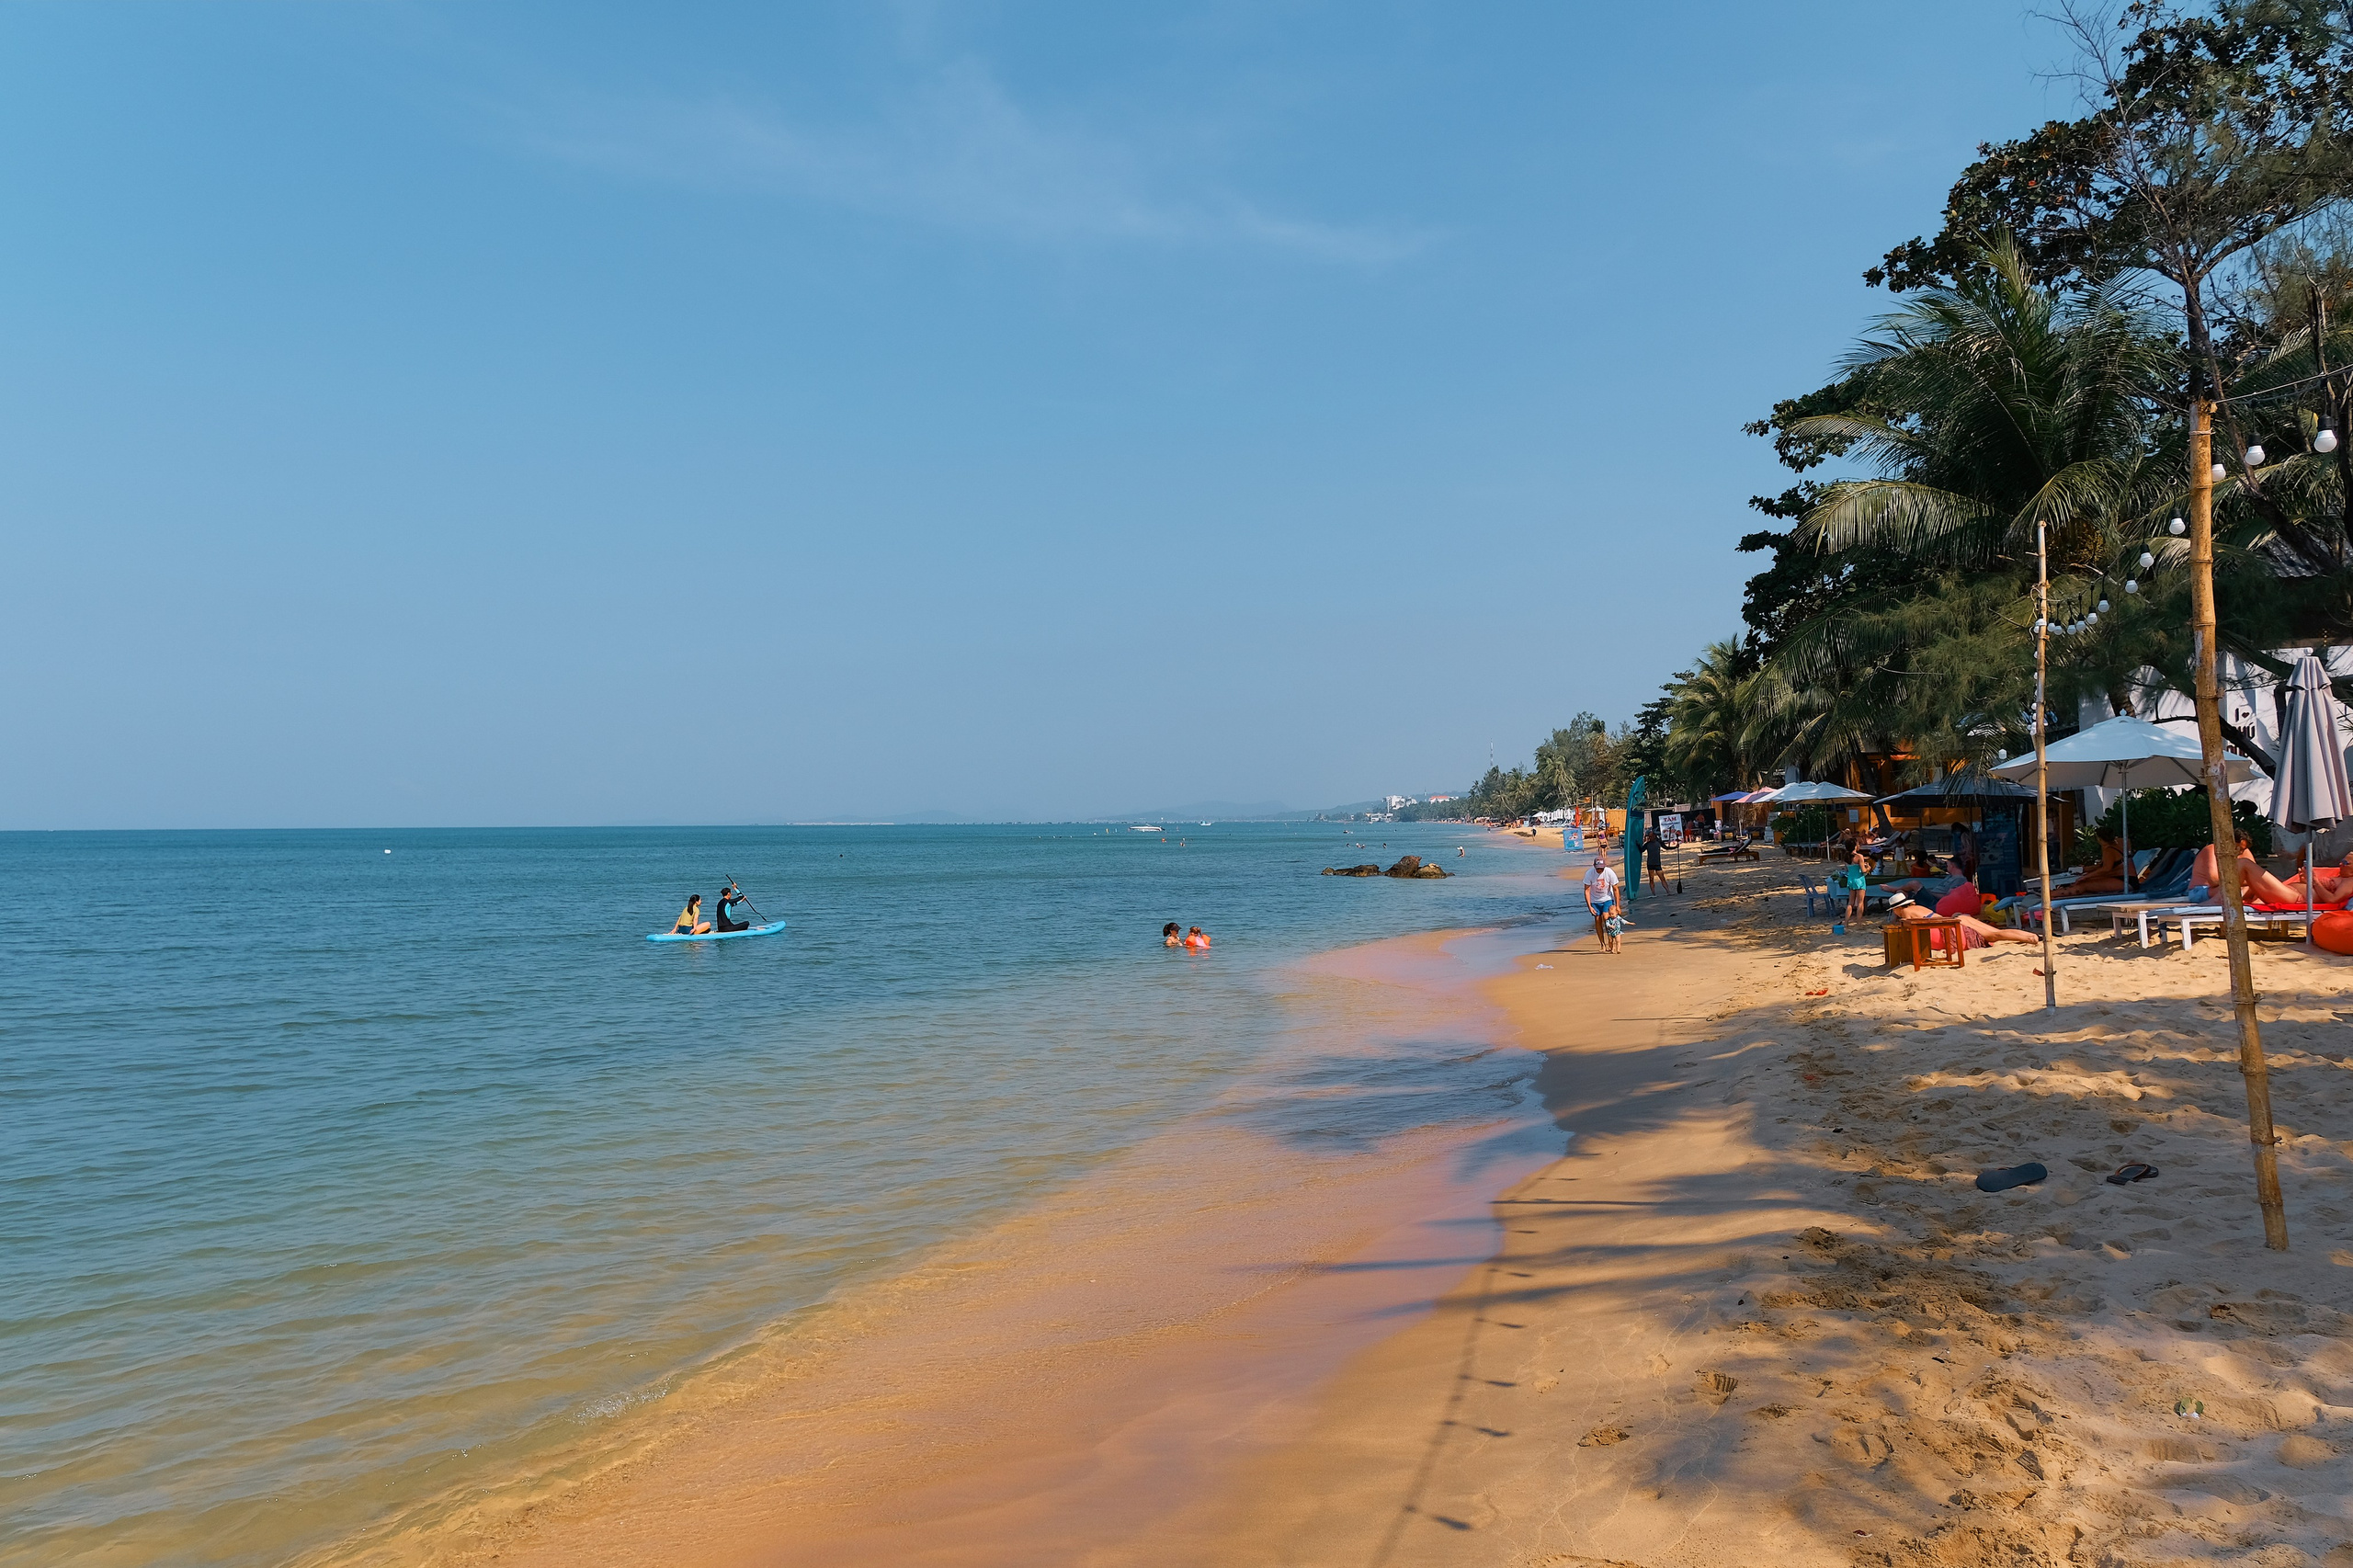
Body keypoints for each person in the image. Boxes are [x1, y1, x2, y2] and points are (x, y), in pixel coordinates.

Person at [2189, 834, 2302, 906]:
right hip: (2202, 890)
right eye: (2238, 848)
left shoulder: (2244, 852)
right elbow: (2213, 880)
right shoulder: (2212, 849)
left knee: (2259, 886)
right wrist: (2240, 877)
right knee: (2251, 881)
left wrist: (2244, 878)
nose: (2240, 852)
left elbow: (2254, 876)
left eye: (2243, 849)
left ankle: (2255, 904)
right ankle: (2219, 900)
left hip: (2229, 888)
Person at [1891, 901, 2037, 950]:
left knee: (1995, 936)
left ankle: (2031, 939)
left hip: (1955, 928)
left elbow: (1907, 927)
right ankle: (2032, 935)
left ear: (1897, 908)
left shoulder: (1906, 912)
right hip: (1958, 920)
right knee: (1997, 932)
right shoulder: (1919, 907)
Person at [1583, 855, 1622, 953]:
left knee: (1606, 918)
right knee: (1597, 919)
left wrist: (1617, 906)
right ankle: (1602, 944)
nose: (1600, 870)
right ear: (1594, 866)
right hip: (1595, 900)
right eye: (1598, 868)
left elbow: (1616, 889)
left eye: (1601, 868)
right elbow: (1587, 891)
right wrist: (1589, 906)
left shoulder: (1609, 872)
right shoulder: (1589, 874)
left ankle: (1611, 942)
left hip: (1607, 898)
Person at [1842, 850, 1870, 923]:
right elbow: (1863, 871)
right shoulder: (1859, 856)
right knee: (1860, 902)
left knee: (1850, 903)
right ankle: (1859, 922)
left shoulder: (1846, 856)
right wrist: (1868, 868)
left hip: (1851, 880)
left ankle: (1846, 922)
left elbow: (1847, 869)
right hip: (1859, 880)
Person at [1643, 827, 1666, 892]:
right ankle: (1653, 893)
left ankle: (1668, 891)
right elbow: (1641, 850)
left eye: (1651, 836)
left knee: (1662, 878)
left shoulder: (1659, 842)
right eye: (1649, 837)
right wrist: (1637, 844)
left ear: (1654, 836)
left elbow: (1666, 847)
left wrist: (1675, 847)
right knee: (1651, 879)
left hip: (1657, 863)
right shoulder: (1647, 844)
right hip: (1650, 864)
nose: (1650, 838)